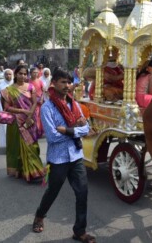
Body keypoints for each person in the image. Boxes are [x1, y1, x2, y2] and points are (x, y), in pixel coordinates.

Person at [33, 68, 95, 243]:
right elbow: (52, 137)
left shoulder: (74, 104)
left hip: (75, 156)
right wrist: (76, 128)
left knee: (82, 192)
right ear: (54, 84)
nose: (67, 86)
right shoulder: (47, 108)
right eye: (63, 82)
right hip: (58, 158)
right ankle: (39, 216)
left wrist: (68, 129)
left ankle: (79, 231)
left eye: (69, 82)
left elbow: (87, 128)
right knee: (52, 191)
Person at [1, 65, 45, 182]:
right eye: (20, 73)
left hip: (30, 120)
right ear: (16, 74)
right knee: (18, 147)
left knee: (32, 146)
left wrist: (30, 114)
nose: (23, 76)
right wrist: (23, 111)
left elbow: (35, 102)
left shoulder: (30, 87)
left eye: (25, 74)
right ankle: (28, 172)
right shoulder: (9, 90)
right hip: (17, 122)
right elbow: (6, 108)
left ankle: (34, 170)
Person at [0, 69, 13, 146]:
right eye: (6, 74)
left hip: (14, 109)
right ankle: (7, 145)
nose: (8, 76)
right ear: (4, 75)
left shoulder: (15, 84)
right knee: (5, 127)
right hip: (3, 109)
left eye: (10, 74)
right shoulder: (1, 85)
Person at [30, 67, 44, 133]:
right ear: (30, 73)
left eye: (36, 73)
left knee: (38, 116)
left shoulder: (40, 81)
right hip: (30, 102)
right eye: (34, 72)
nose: (35, 74)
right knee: (33, 115)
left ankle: (38, 130)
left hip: (39, 102)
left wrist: (41, 99)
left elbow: (43, 91)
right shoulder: (28, 81)